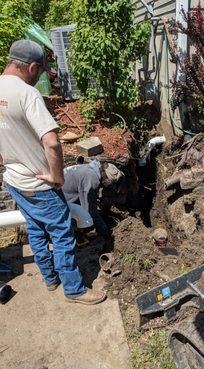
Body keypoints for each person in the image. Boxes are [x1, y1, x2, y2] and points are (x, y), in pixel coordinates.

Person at [0, 39, 106, 304]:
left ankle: (49, 279)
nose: (39, 78)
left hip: (13, 180)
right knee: (62, 234)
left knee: (35, 230)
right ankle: (74, 289)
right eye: (40, 72)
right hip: (38, 184)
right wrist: (57, 177)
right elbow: (51, 141)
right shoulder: (26, 93)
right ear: (32, 67)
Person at [62, 160, 124, 237]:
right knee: (73, 227)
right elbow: (89, 209)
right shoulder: (92, 180)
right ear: (105, 178)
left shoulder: (91, 168)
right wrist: (103, 230)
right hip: (59, 199)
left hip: (62, 189)